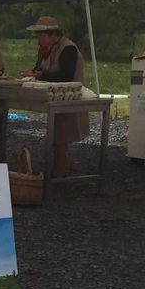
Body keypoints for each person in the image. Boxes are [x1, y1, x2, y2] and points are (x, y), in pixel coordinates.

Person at [22, 15, 89, 177]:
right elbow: (39, 69)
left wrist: (40, 75)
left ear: (53, 35)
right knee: (56, 133)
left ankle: (60, 170)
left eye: (41, 36)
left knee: (62, 135)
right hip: (53, 97)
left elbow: (66, 75)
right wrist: (34, 74)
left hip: (69, 96)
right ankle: (57, 169)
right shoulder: (45, 50)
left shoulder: (68, 48)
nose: (38, 40)